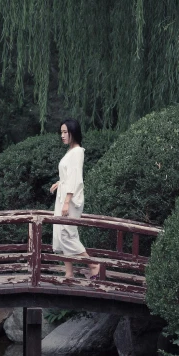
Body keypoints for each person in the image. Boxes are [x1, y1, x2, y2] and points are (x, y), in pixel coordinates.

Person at [49, 118, 100, 280]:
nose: (62, 135)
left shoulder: (77, 151)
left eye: (65, 132)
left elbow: (76, 177)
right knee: (62, 233)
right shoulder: (70, 151)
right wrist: (59, 183)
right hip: (64, 194)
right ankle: (69, 273)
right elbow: (68, 174)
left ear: (73, 132)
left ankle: (93, 265)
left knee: (67, 233)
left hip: (70, 198)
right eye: (61, 132)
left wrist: (66, 201)